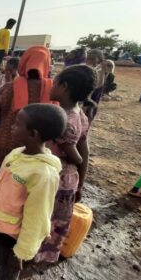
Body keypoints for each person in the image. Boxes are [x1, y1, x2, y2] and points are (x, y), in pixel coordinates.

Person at [0, 103, 67, 280]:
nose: (12, 126)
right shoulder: (16, 154)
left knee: (5, 276)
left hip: (13, 239)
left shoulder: (43, 174)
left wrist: (21, 252)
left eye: (17, 124)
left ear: (33, 134)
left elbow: (37, 217)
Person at [34, 65, 95, 263]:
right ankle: (42, 255)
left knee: (43, 218)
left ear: (64, 86)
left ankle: (30, 254)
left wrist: (75, 161)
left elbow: (77, 155)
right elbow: (85, 148)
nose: (51, 85)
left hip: (57, 178)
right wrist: (80, 182)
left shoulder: (62, 121)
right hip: (70, 178)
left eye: (56, 81)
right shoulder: (80, 114)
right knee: (55, 221)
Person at [0, 45, 54, 177]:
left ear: (23, 63)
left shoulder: (10, 87)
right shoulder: (51, 91)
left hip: (3, 144)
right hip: (32, 151)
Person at [82, 49, 105, 122]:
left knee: (86, 118)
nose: (89, 61)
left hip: (92, 98)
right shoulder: (86, 68)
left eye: (92, 59)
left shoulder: (100, 70)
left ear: (99, 59)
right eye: (88, 58)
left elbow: (99, 85)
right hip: (85, 99)